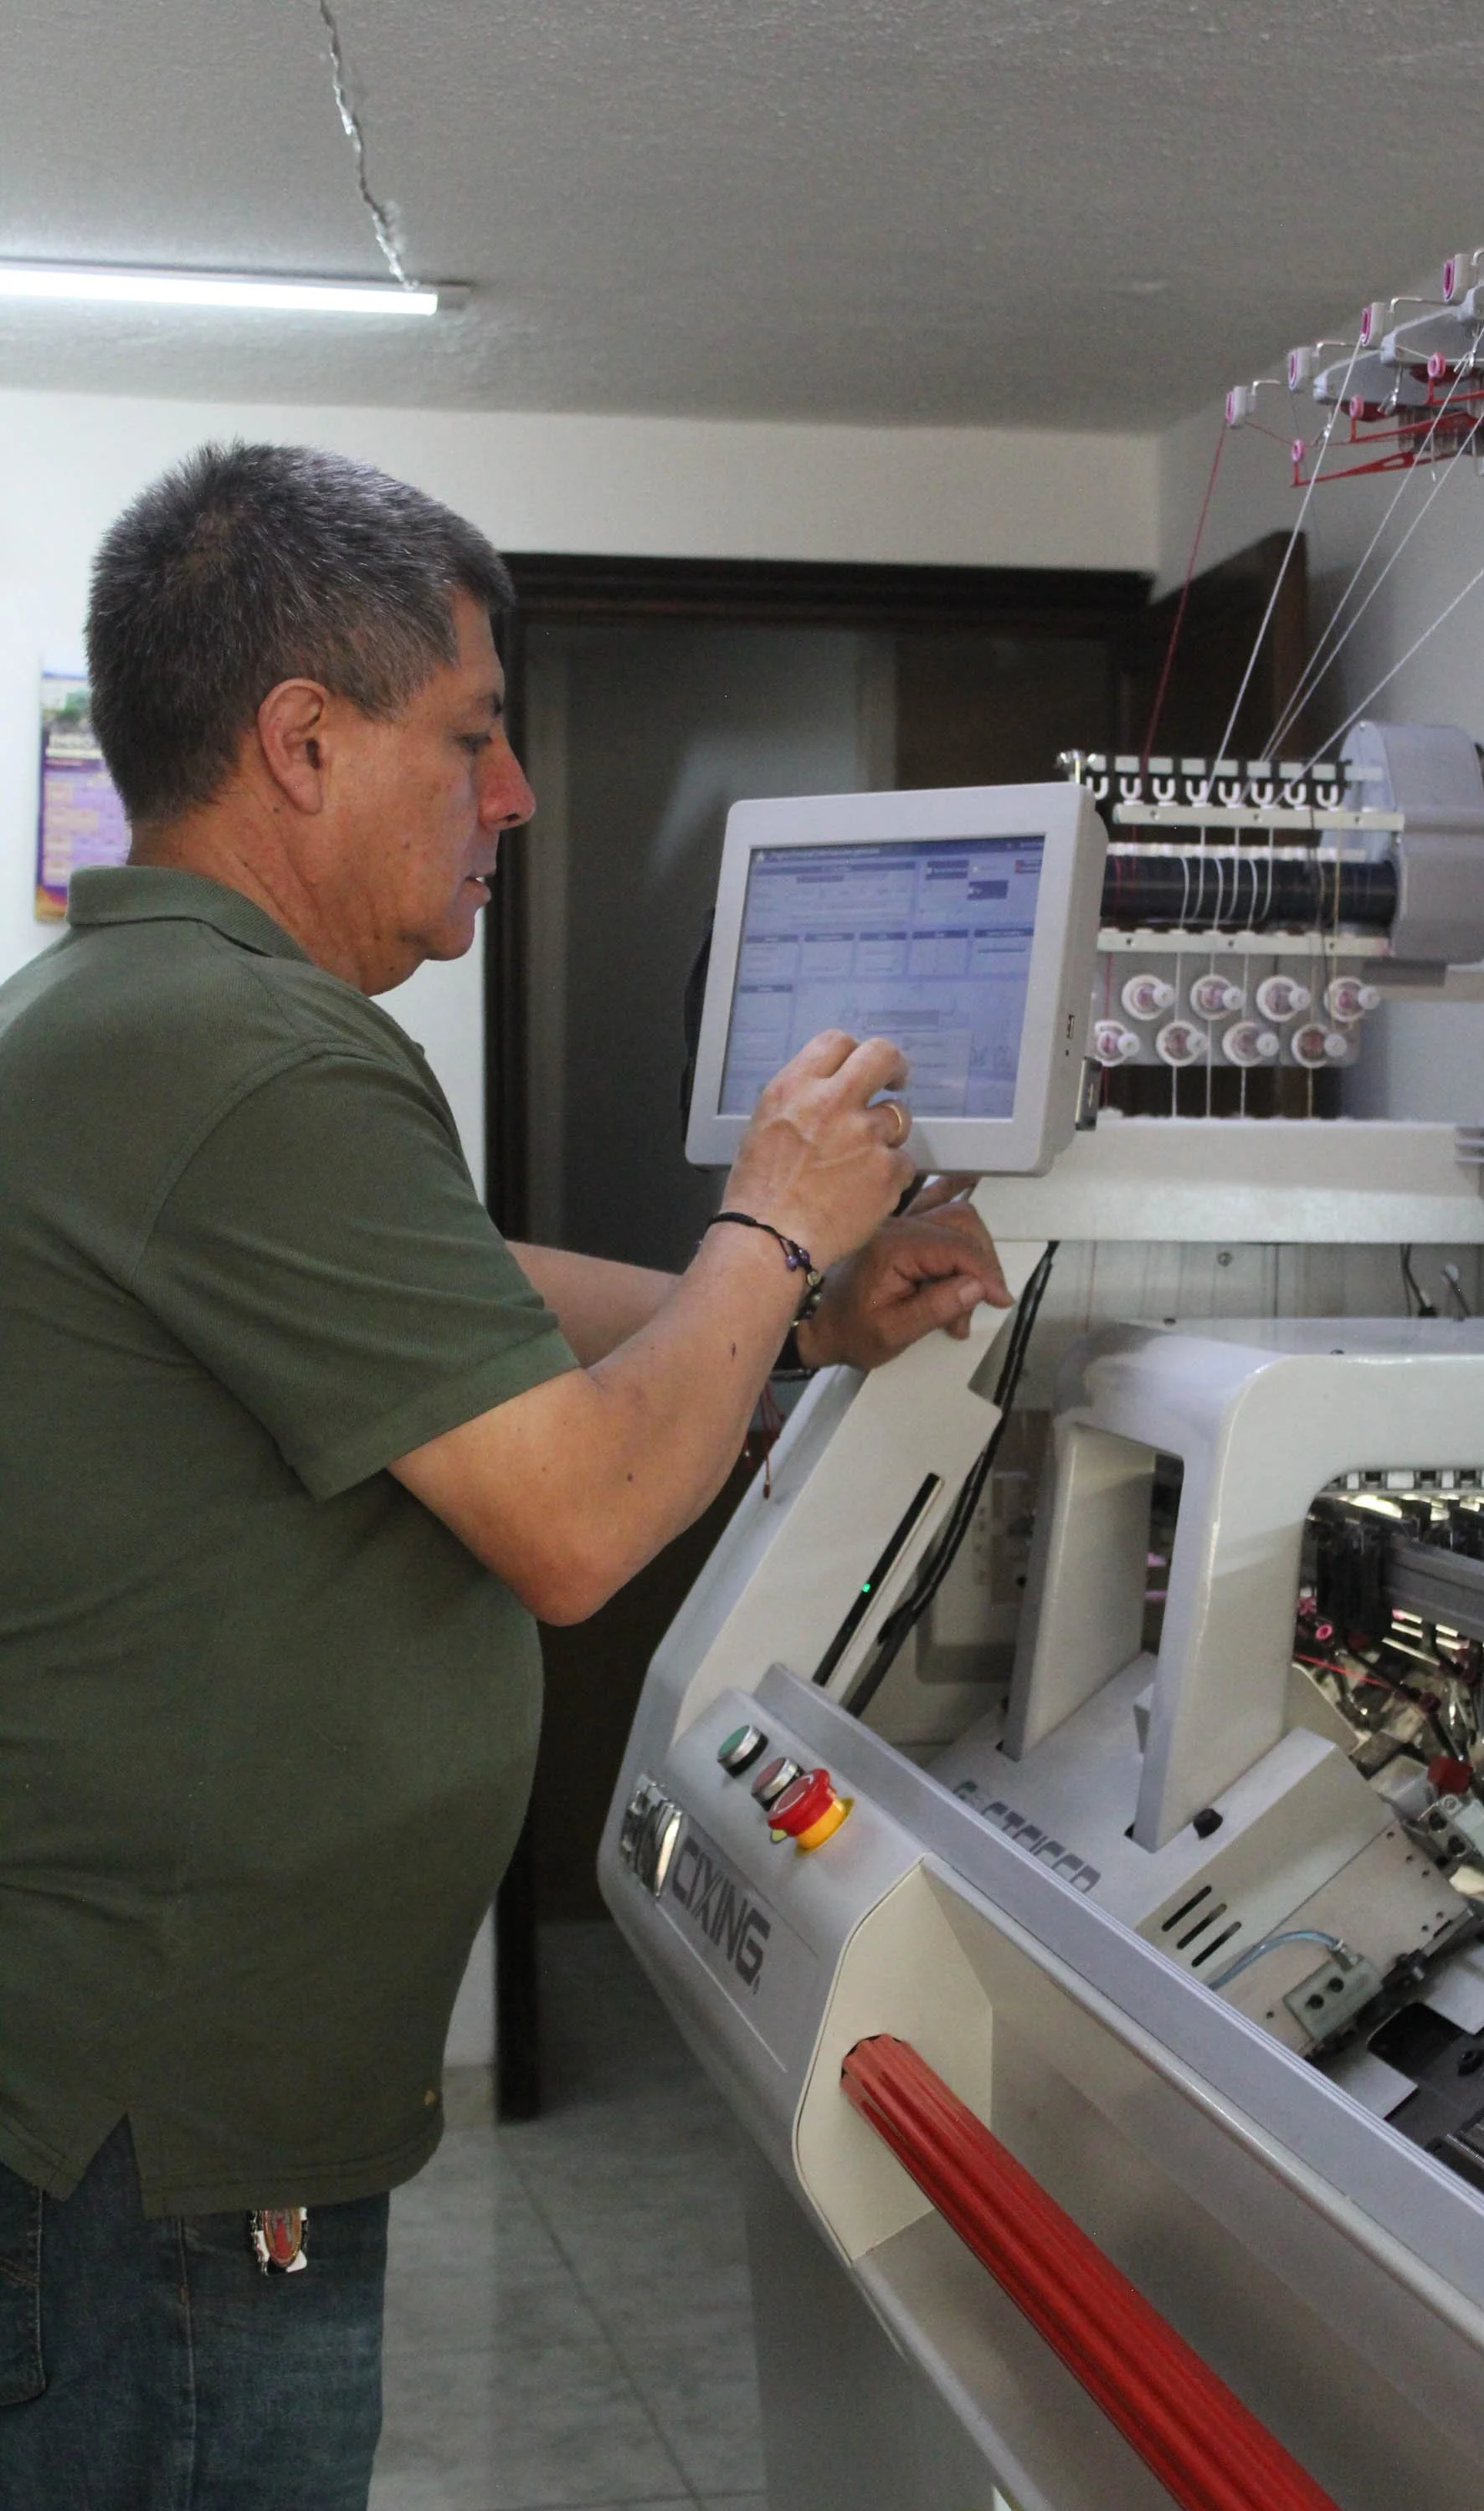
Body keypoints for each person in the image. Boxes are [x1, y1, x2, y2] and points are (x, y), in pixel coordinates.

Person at [0, 443, 1011, 2509]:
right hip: (163, 2117)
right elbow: (571, 1529)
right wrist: (775, 1227)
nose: (517, 794)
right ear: (301, 741)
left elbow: (452, 1294)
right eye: (471, 733)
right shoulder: (258, 1057)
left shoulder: (149, 1014)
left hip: (137, 2079)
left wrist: (792, 1315)